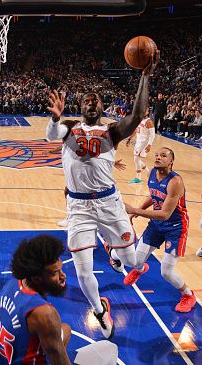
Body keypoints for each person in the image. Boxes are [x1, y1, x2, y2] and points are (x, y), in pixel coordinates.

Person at [45, 51, 159, 339]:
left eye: (96, 100)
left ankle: (114, 250)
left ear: (102, 105)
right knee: (83, 271)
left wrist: (145, 76)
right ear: (81, 105)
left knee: (132, 262)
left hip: (110, 204)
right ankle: (99, 310)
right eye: (87, 99)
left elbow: (136, 115)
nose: (91, 102)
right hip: (79, 208)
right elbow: (50, 135)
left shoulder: (112, 131)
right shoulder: (69, 127)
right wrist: (55, 117)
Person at [0, 235, 118, 365]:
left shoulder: (11, 285)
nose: (63, 276)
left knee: (65, 329)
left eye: (61, 269)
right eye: (55, 273)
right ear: (37, 278)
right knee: (109, 349)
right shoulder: (44, 313)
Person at [123, 148, 196, 312]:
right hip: (156, 225)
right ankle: (141, 269)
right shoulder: (152, 174)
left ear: (171, 161)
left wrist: (135, 210)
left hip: (175, 228)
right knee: (136, 261)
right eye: (156, 155)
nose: (158, 158)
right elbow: (154, 195)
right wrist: (140, 209)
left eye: (163, 156)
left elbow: (164, 214)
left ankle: (188, 295)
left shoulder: (175, 181)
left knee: (166, 272)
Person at [126, 109, 155, 184]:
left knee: (136, 159)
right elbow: (136, 130)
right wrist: (129, 138)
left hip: (144, 143)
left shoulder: (149, 121)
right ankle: (149, 173)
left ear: (147, 112)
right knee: (137, 159)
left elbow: (152, 135)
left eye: (145, 110)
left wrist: (149, 144)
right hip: (138, 142)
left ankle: (138, 178)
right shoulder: (139, 120)